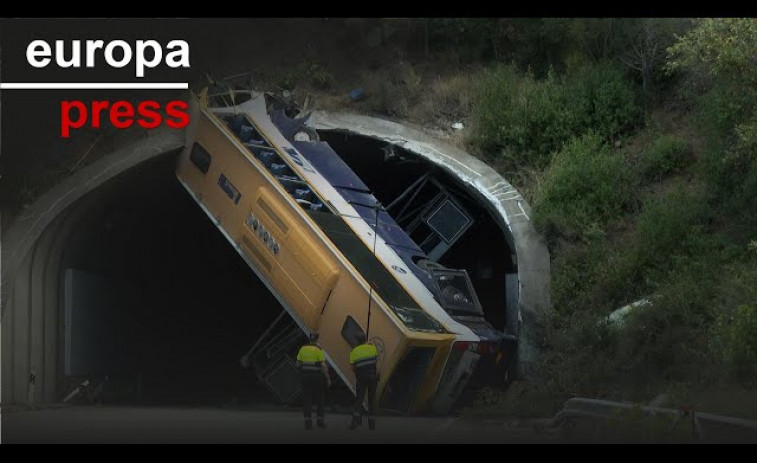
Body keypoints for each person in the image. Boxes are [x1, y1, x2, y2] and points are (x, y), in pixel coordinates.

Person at [296, 332, 331, 430]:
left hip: (305, 377)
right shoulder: (319, 350)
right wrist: (328, 378)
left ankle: (308, 423)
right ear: (317, 340)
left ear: (310, 339)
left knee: (307, 399)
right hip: (317, 378)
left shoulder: (303, 349)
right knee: (320, 399)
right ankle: (320, 422)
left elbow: (297, 364)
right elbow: (323, 366)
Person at [348, 333, 379, 431]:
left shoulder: (354, 351)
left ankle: (355, 422)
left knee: (359, 399)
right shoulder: (372, 348)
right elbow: (375, 360)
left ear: (357, 341)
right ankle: (372, 425)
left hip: (361, 377)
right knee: (371, 399)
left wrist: (359, 372)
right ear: (365, 339)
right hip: (372, 377)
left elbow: (353, 368)